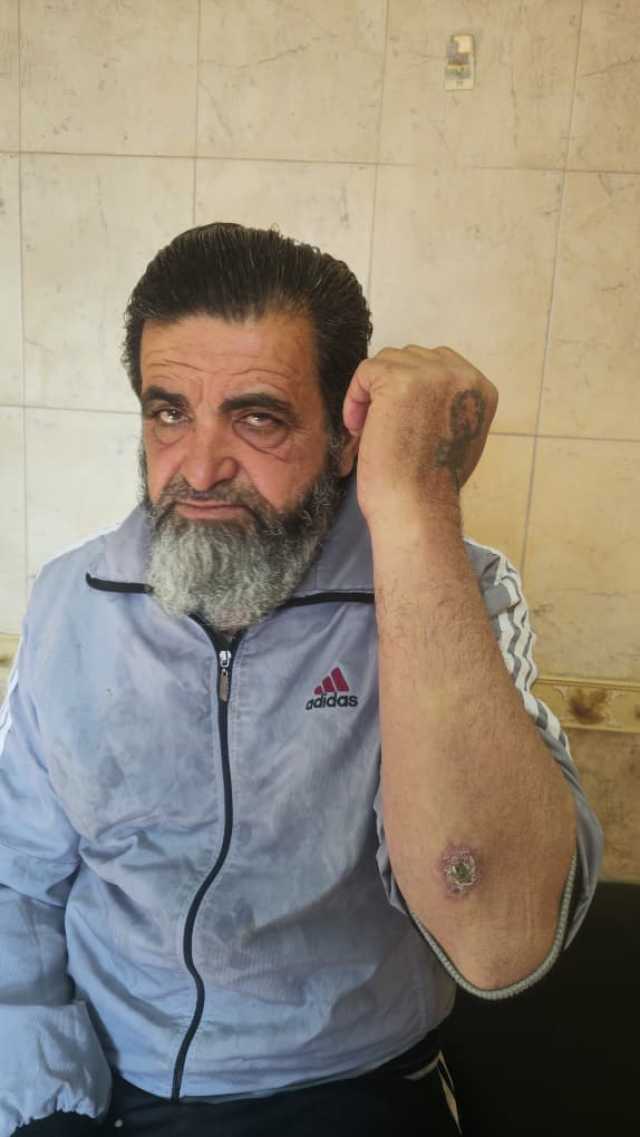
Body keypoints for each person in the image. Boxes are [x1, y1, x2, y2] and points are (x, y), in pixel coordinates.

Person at [0, 223, 603, 1137]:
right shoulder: (72, 601)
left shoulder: (453, 593)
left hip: (351, 1086)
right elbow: (17, 882)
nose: (201, 468)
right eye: (169, 413)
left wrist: (418, 503)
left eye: (259, 418)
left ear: (345, 438)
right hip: (102, 1083)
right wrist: (42, 1099)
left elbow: (498, 937)